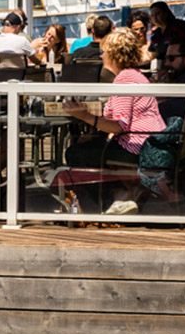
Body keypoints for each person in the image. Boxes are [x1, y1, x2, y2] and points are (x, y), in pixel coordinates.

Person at [63, 28, 167, 212]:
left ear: (114, 55)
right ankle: (123, 194)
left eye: (104, 52)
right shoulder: (135, 75)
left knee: (75, 153)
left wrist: (84, 116)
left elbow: (119, 126)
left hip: (136, 148)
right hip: (148, 142)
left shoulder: (124, 80)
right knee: (88, 147)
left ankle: (115, 198)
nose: (101, 56)